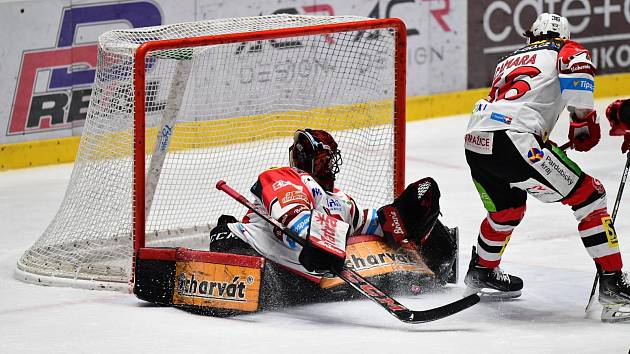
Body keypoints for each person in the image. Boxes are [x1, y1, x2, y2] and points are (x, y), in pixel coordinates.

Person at [463, 13, 630, 321]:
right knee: (590, 197)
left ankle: (482, 272)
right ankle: (613, 285)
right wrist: (582, 123)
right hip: (516, 138)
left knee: (506, 210)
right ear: (562, 35)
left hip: (476, 139)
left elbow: (516, 102)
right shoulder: (563, 49)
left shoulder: (507, 61)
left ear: (533, 35)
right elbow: (579, 72)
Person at [209, 128, 457, 285]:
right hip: (248, 248)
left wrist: (406, 219)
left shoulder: (339, 200)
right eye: (324, 161)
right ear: (307, 160)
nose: (330, 167)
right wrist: (319, 244)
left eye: (331, 161)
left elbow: (372, 224)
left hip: (299, 267)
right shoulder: (283, 176)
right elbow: (293, 217)